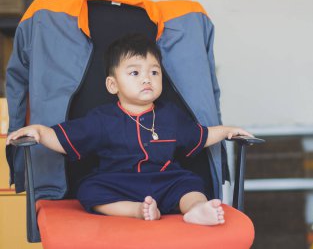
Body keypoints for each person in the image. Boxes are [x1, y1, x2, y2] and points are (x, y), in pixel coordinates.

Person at [6, 34, 253, 226]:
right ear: (113, 84)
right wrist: (39, 131)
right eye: (135, 72)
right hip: (118, 182)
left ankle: (197, 210)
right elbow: (65, 138)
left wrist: (225, 130)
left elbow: (199, 135)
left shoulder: (170, 115)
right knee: (89, 190)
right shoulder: (102, 119)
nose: (147, 79)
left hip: (165, 180)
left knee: (191, 184)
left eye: (154, 72)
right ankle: (137, 211)